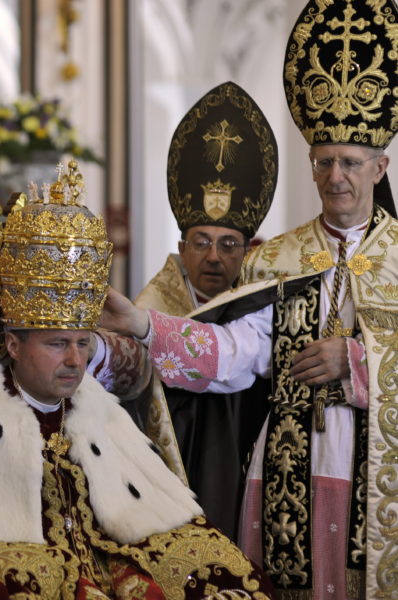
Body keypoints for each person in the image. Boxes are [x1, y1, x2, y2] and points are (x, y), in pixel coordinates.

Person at [99, 2, 398, 597]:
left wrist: (360, 362)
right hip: (290, 471)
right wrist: (140, 323)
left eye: (350, 162)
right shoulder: (273, 260)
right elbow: (232, 354)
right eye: (323, 161)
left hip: (381, 475)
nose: (336, 175)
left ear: (379, 165)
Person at [0, 164, 274, 598]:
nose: (74, 361)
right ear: (12, 344)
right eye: (56, 344)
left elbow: (141, 369)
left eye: (82, 342)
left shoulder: (96, 403)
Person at [133, 81, 277, 539]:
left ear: (246, 251)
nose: (214, 257)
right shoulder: (150, 307)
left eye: (228, 244)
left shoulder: (260, 306)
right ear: (182, 247)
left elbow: (239, 360)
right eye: (202, 242)